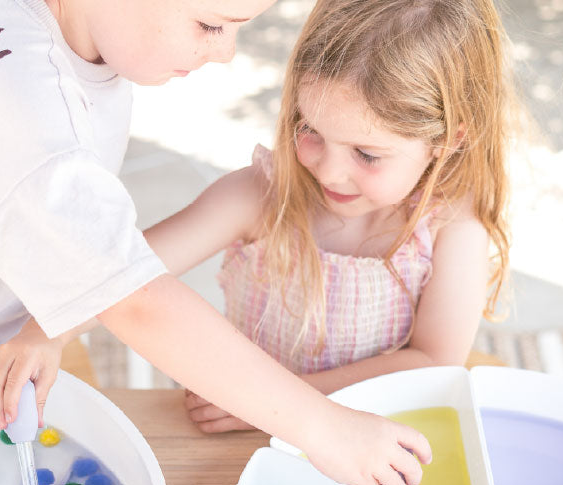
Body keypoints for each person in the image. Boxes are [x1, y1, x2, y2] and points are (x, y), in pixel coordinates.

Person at [0, 0, 429, 485]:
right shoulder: (29, 124)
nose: (225, 52)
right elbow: (134, 302)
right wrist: (323, 426)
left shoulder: (68, 28)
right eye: (209, 24)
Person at [143, 0, 515, 432]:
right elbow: (128, 273)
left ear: (448, 139)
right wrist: (46, 335)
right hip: (243, 436)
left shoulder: (451, 227)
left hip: (373, 442)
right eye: (310, 131)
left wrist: (272, 402)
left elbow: (434, 362)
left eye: (367, 154)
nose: (328, 170)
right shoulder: (263, 196)